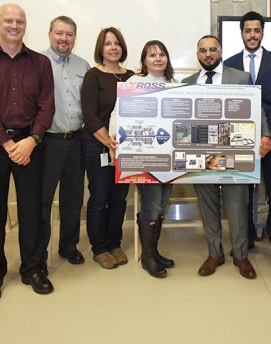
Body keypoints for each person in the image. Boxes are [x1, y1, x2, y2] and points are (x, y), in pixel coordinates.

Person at [0, 3, 55, 304]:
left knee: (32, 210)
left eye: (19, 21)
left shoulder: (41, 63)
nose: (14, 25)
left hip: (30, 145)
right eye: (8, 20)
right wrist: (7, 144)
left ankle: (33, 269)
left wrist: (31, 141)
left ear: (26, 25)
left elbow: (46, 106)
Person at [182, 35, 268, 279]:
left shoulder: (240, 77)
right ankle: (214, 253)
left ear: (220, 51)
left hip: (235, 152)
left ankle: (240, 255)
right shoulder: (188, 82)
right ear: (197, 54)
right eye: (202, 50)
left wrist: (266, 134)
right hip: (199, 154)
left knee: (237, 207)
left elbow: (257, 108)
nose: (208, 54)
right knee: (208, 206)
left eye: (212, 49)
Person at [224, 10, 271, 268]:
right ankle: (247, 236)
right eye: (247, 30)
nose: (252, 35)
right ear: (241, 33)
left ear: (262, 32)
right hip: (238, 138)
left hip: (270, 136)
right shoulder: (228, 64)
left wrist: (268, 134)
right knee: (242, 191)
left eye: (257, 30)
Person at [109, 40, 176, 278]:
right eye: (152, 55)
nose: (158, 59)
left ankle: (153, 251)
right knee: (152, 203)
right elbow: (118, 113)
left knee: (162, 203)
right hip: (143, 156)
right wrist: (115, 138)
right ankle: (147, 257)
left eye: (161, 54)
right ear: (144, 61)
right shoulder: (134, 83)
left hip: (170, 158)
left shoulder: (174, 85)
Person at [40, 16, 90, 273]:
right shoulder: (36, 63)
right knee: (43, 199)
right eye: (59, 33)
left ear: (75, 37)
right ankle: (39, 252)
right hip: (46, 141)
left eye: (69, 34)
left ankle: (69, 246)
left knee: (73, 198)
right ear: (50, 34)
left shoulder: (83, 65)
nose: (64, 38)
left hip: (76, 140)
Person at [81, 27, 134, 269]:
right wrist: (108, 142)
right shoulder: (93, 75)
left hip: (126, 149)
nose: (113, 47)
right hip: (98, 146)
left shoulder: (133, 76)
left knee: (120, 199)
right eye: (107, 43)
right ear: (100, 49)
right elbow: (90, 115)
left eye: (116, 43)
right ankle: (99, 248)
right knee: (100, 197)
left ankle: (115, 243)